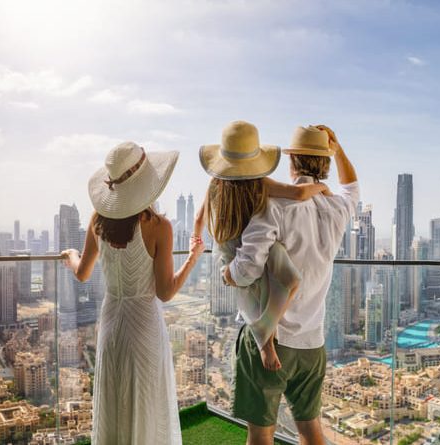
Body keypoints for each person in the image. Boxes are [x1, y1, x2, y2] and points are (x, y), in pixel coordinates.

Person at [224, 124, 359, 445]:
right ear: (325, 164)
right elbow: (351, 186)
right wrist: (337, 149)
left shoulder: (274, 206)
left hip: (272, 338)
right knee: (310, 430)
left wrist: (227, 273)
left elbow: (246, 270)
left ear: (291, 162)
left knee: (261, 434)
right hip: (312, 343)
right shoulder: (337, 208)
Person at [61, 142, 203, 445]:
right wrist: (192, 259)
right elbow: (165, 292)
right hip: (144, 326)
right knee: (146, 404)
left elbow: (82, 273)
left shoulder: (97, 220)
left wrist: (71, 255)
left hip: (112, 323)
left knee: (114, 401)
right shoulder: (159, 227)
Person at [197, 120, 330, 371]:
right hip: (237, 248)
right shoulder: (261, 183)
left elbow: (199, 218)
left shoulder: (216, 182)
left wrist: (196, 241)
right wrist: (322, 186)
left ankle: (264, 333)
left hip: (236, 248)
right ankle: (265, 342)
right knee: (279, 282)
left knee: (284, 281)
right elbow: (299, 194)